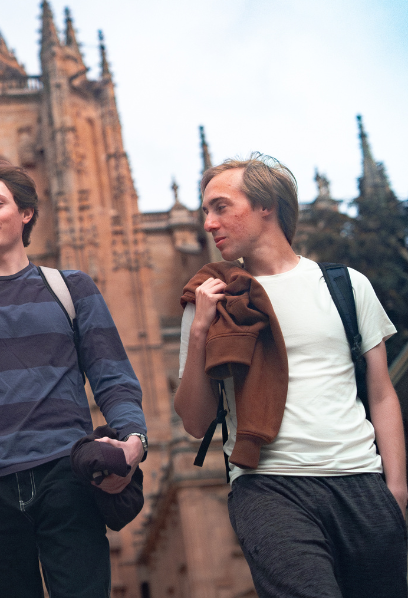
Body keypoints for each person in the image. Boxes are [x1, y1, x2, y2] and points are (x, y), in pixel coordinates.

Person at [0, 157, 147, 597]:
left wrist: (135, 441)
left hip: (66, 476)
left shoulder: (72, 288)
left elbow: (112, 375)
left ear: (26, 213)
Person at [175, 154, 407, 597]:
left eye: (220, 207)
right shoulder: (210, 300)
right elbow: (195, 422)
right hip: (268, 487)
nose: (208, 223)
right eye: (205, 210)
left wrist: (395, 490)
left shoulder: (346, 285)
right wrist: (202, 327)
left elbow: (381, 394)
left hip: (361, 483)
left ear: (267, 206)